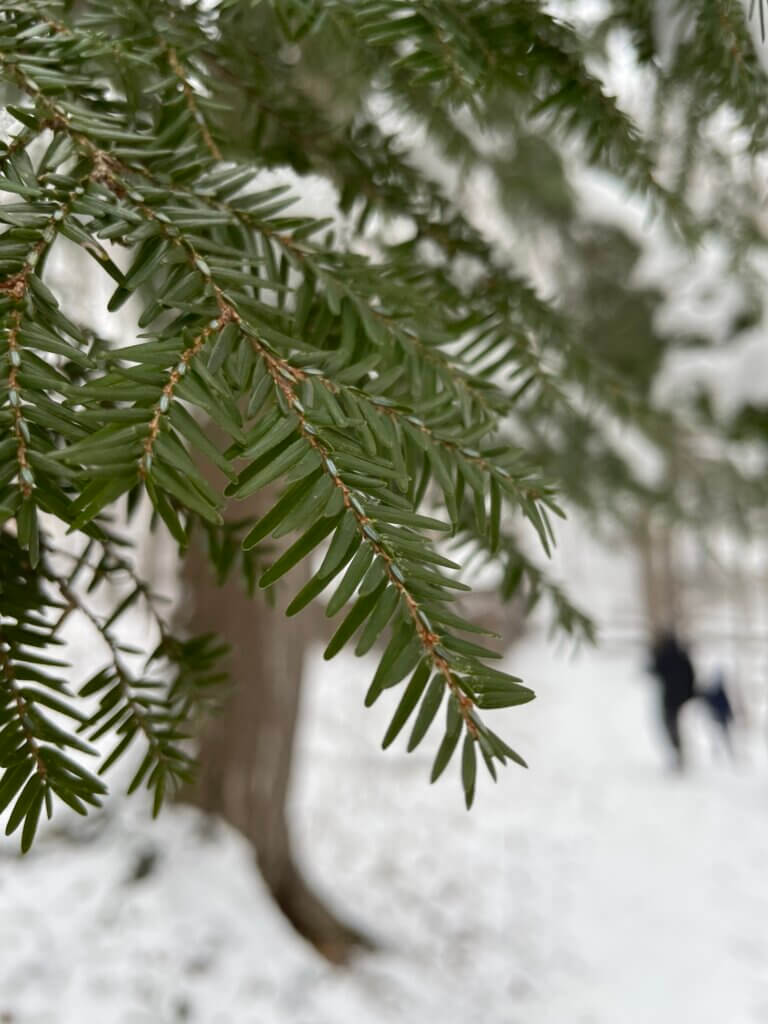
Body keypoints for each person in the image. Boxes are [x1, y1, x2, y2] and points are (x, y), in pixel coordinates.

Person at [648, 630, 696, 769]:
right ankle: (679, 752)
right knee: (673, 726)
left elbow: (655, 670)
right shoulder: (681, 656)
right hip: (679, 699)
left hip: (671, 699)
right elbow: (692, 676)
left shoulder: (667, 657)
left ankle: (679, 752)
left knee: (671, 726)